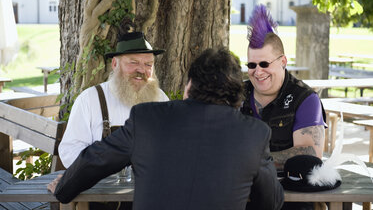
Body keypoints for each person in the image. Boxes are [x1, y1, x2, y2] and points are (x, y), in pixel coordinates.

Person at [48, 47, 284, 210]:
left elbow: (96, 159)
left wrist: (65, 187)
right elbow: (272, 201)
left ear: (189, 85)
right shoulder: (255, 133)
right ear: (236, 94)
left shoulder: (147, 118)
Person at [240, 5, 326, 210]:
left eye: (264, 64)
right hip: (241, 195)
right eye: (251, 65)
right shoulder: (235, 95)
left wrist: (248, 159)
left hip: (291, 200)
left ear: (283, 61)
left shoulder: (304, 98)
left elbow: (309, 153)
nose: (257, 72)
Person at [59, 31, 169, 169]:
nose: (141, 70)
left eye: (148, 64)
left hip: (150, 184)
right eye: (133, 62)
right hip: (102, 186)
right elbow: (70, 151)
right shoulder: (90, 99)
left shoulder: (161, 99)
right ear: (115, 64)